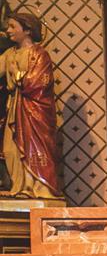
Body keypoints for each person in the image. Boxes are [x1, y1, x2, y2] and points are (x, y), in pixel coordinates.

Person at [3, 12, 59, 199]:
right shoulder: (10, 54)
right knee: (10, 149)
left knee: (34, 147)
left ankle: (38, 187)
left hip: (35, 111)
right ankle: (19, 187)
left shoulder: (39, 55)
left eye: (13, 26)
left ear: (27, 30)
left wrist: (17, 74)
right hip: (15, 107)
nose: (8, 30)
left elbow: (39, 83)